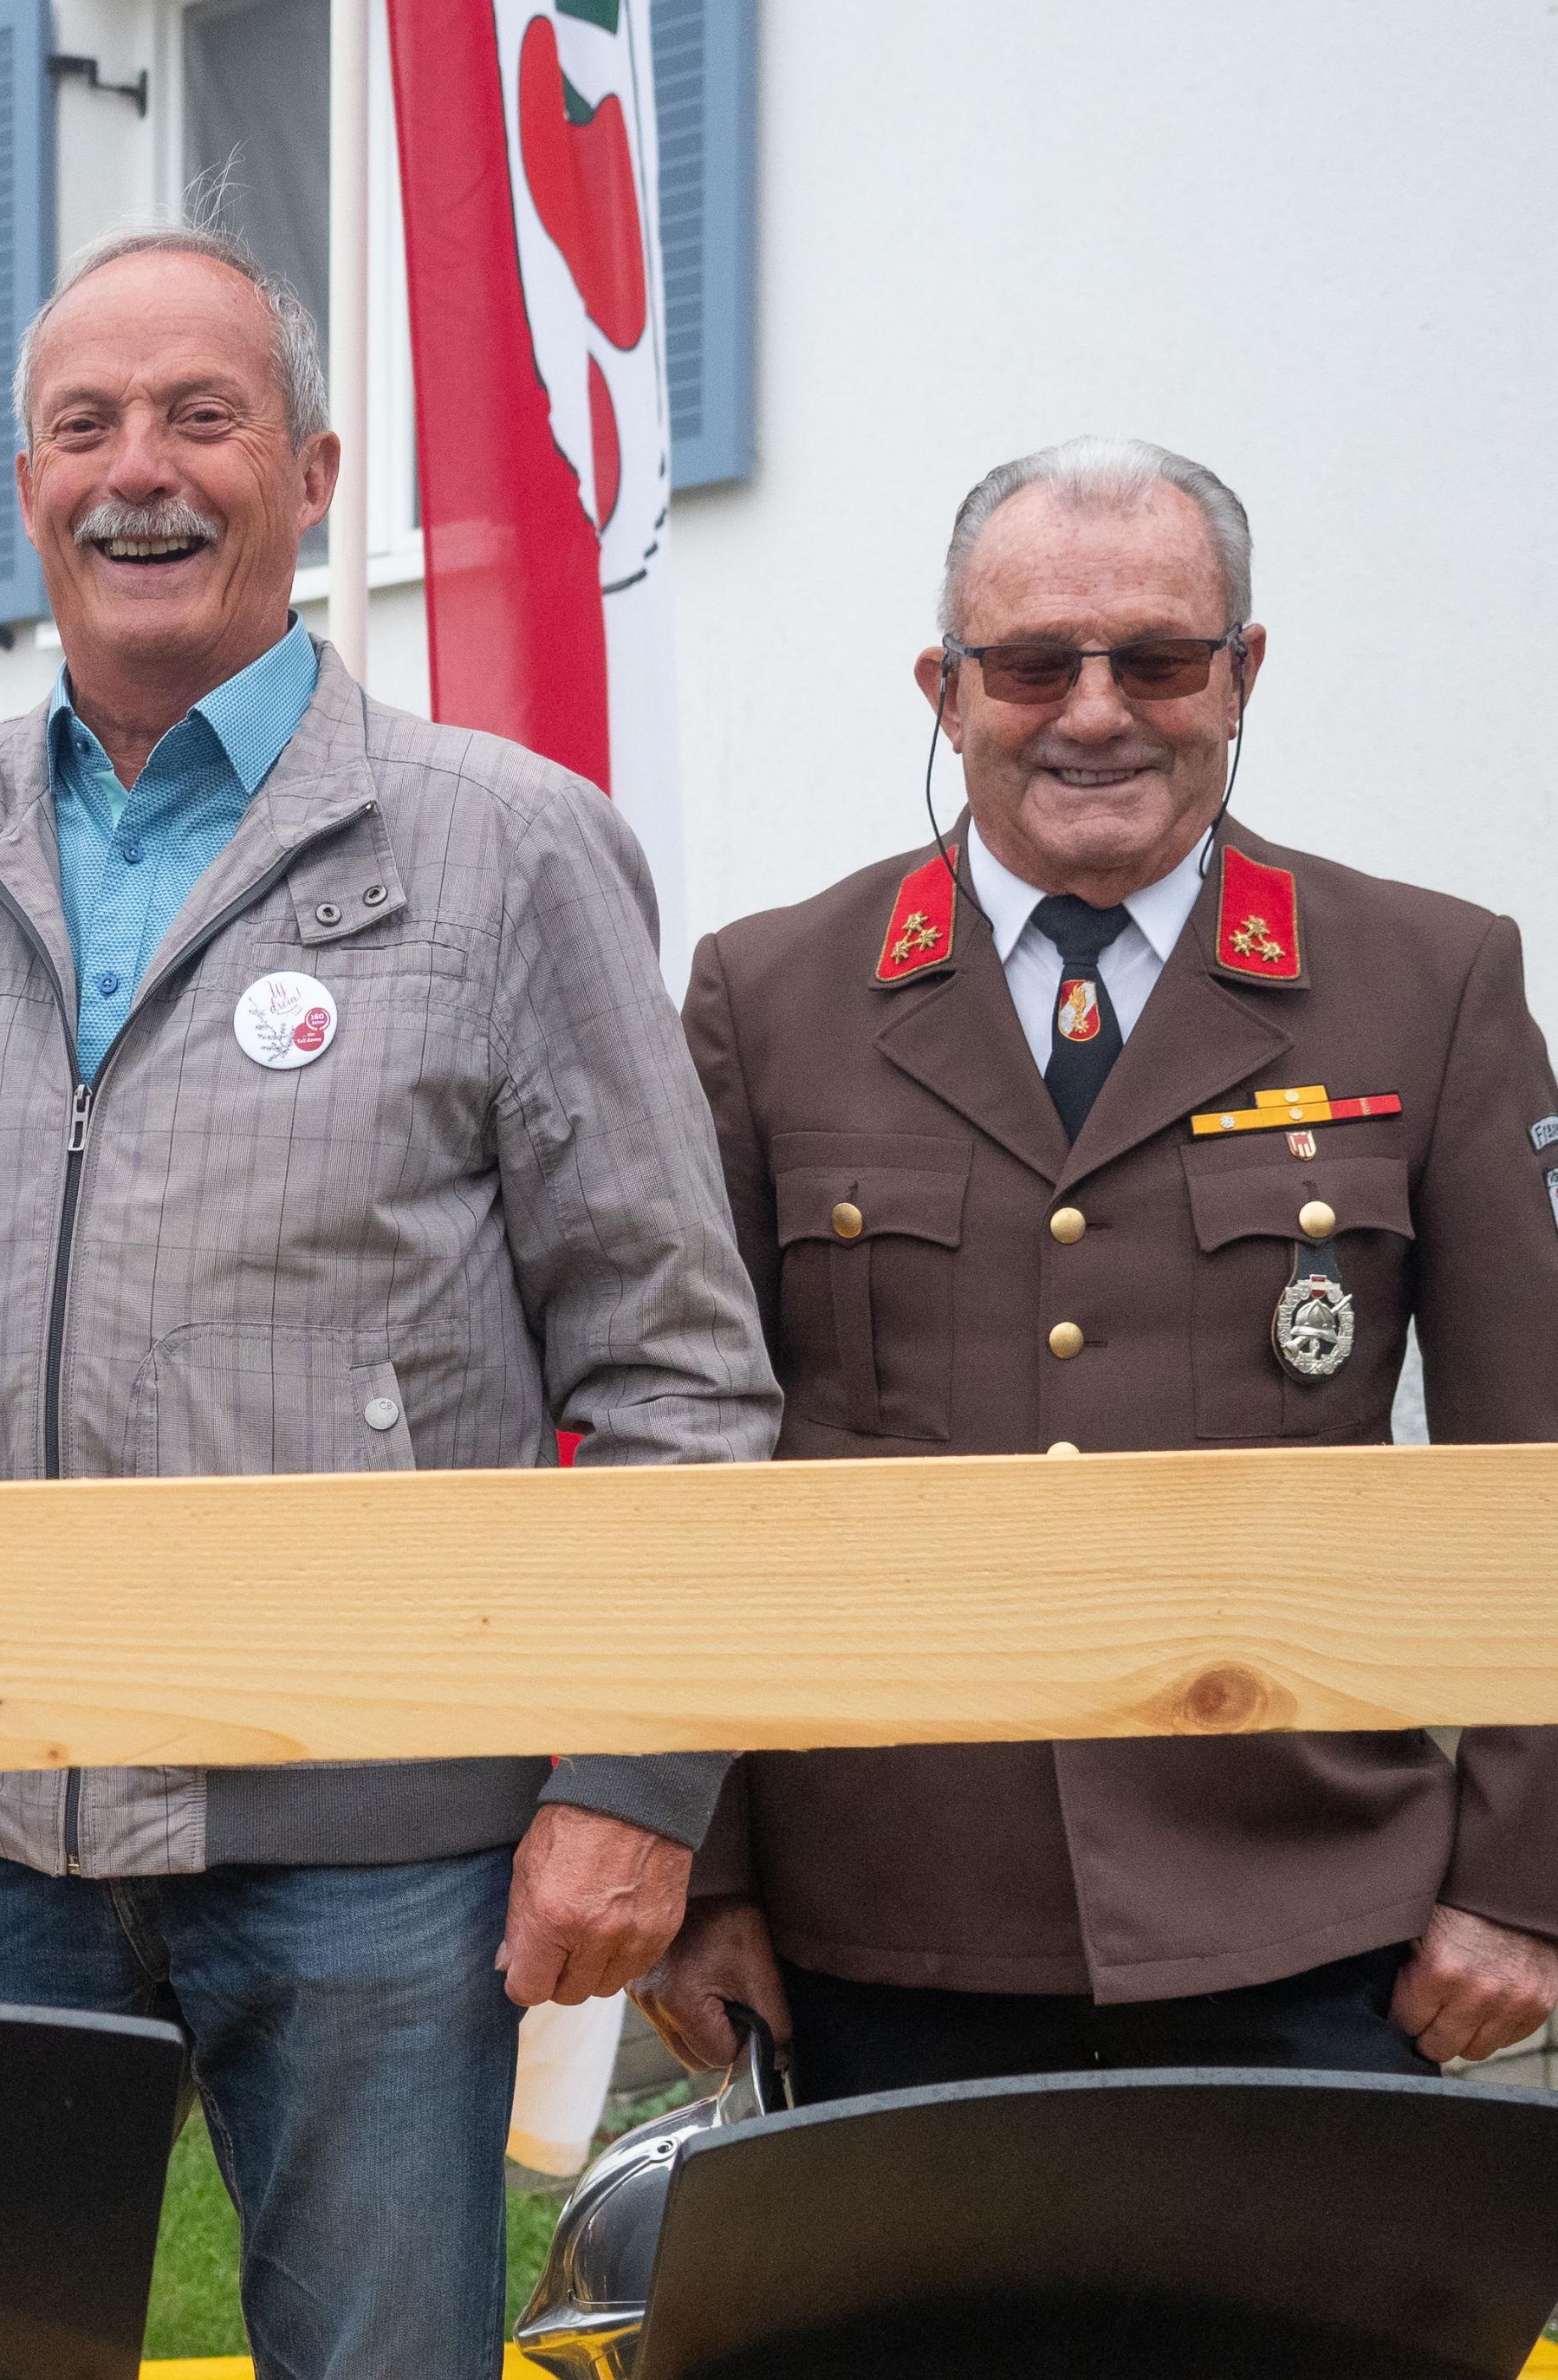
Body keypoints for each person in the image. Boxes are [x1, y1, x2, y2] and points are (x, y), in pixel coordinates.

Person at [0, 222, 777, 2380]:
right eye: (84, 426)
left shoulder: (503, 852)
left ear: (307, 474)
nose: (140, 472)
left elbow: (673, 1369)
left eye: (200, 418)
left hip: (373, 1855)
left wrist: (631, 1781)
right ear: (23, 488)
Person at [643, 436, 1558, 2098]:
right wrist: (702, 1876)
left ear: (1243, 673)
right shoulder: (770, 1001)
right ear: (943, 689)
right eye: (1031, 666)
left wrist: (1521, 1881)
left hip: (1308, 1907)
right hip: (885, 1916)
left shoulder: (1427, 983)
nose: (1094, 713)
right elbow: (684, 1461)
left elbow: (1539, 1459)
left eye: (1157, 659)